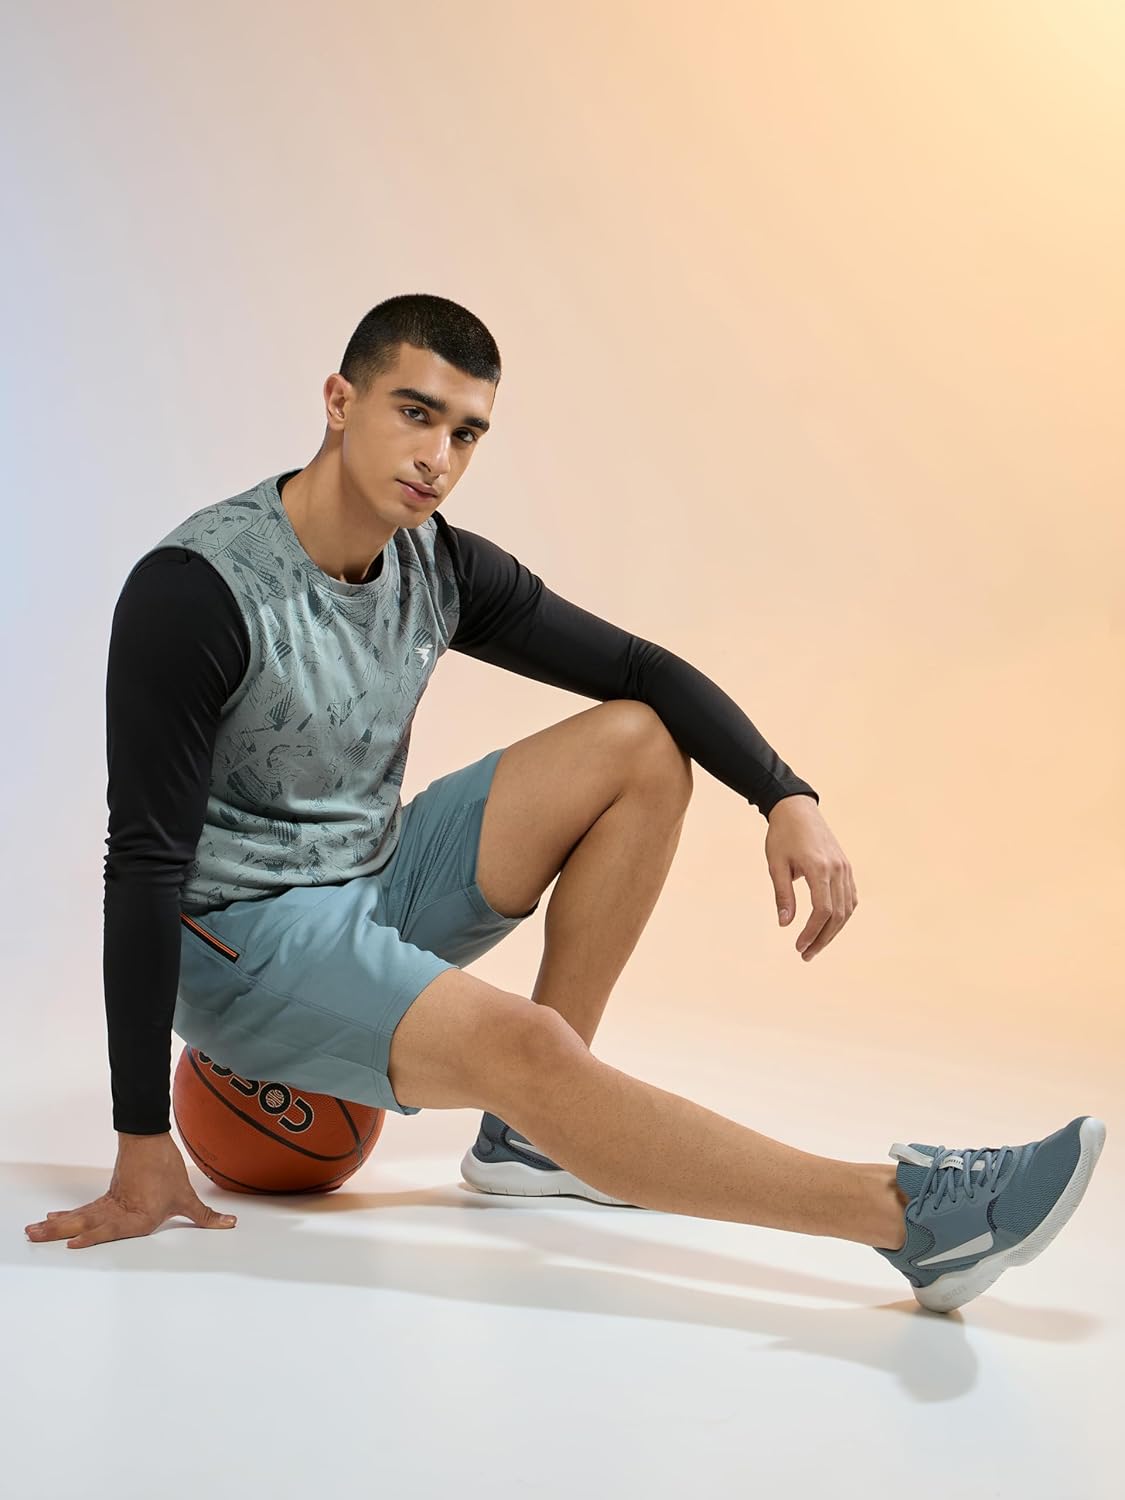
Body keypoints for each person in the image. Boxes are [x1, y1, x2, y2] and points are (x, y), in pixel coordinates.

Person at [25, 294, 1104, 1313]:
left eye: (466, 433)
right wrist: (140, 1138)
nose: (438, 458)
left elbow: (640, 667)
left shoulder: (437, 566)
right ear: (340, 401)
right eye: (414, 414)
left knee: (640, 743)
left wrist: (785, 795)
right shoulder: (198, 590)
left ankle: (533, 1140)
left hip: (370, 876)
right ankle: (912, 1218)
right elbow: (143, 865)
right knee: (529, 1047)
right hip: (241, 940)